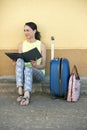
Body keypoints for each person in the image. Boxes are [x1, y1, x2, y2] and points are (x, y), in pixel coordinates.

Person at [15, 22, 46, 106]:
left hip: (38, 73)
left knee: (28, 68)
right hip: (25, 75)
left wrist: (35, 66)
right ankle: (20, 90)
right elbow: (20, 65)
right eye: (24, 30)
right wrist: (15, 62)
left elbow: (44, 65)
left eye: (28, 30)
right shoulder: (21, 45)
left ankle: (26, 95)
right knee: (19, 60)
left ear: (34, 31)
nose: (26, 33)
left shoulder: (41, 45)